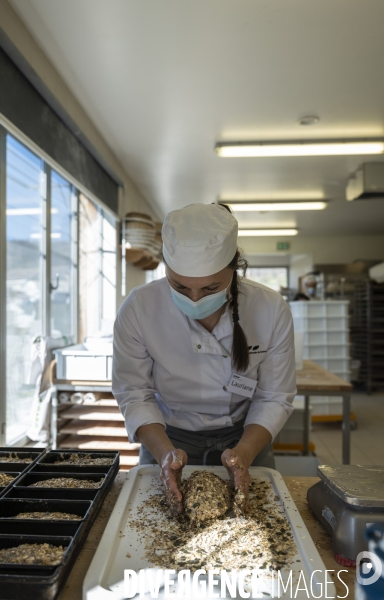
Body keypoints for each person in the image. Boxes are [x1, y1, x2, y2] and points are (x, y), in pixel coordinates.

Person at [112, 203, 296, 513]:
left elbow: (274, 397)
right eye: (179, 286)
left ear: (234, 268)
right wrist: (166, 454)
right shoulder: (139, 309)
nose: (194, 299)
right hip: (167, 435)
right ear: (165, 269)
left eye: (210, 287)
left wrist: (244, 453)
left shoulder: (269, 308)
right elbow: (134, 393)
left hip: (245, 433)